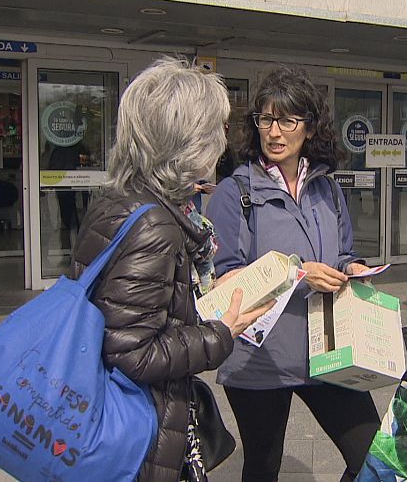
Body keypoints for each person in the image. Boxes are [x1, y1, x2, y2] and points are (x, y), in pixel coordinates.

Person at [67, 57, 272, 482]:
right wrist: (222, 332)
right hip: (140, 434)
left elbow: (128, 314)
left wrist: (207, 294)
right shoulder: (154, 226)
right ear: (189, 141)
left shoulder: (121, 200)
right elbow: (133, 352)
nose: (222, 142)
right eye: (216, 129)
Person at [206, 66, 379, 482]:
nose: (275, 132)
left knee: (373, 454)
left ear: (309, 127)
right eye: (265, 119)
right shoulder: (235, 193)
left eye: (287, 120)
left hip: (327, 352)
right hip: (259, 361)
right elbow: (225, 279)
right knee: (263, 467)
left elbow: (342, 253)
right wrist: (299, 274)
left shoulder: (328, 188)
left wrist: (351, 268)